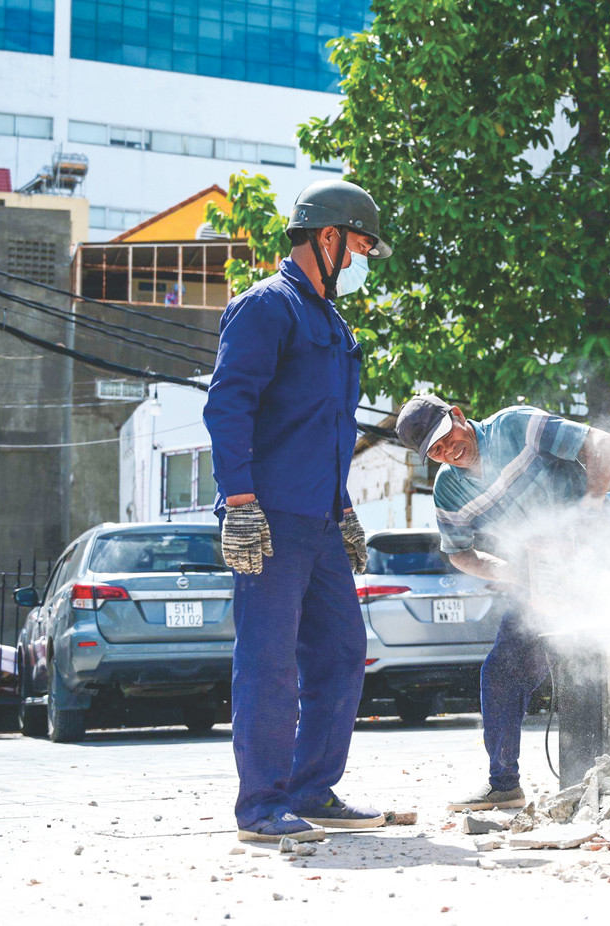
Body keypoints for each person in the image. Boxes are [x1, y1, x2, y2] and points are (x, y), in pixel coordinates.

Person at [204, 179, 392, 844]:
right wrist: (242, 503)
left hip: (317, 519)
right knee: (269, 661)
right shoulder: (266, 308)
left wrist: (343, 510)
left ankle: (313, 788)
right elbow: (228, 406)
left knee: (342, 651)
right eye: (358, 247)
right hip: (272, 518)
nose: (359, 261)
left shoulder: (334, 327)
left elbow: (330, 429)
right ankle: (260, 805)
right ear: (328, 236)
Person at [394, 395, 610, 810]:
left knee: (608, 657)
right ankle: (504, 784)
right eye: (437, 451)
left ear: (458, 416)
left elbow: (601, 442)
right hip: (544, 580)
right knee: (501, 672)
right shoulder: (448, 488)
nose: (449, 452)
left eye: (447, 437)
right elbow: (460, 553)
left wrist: (590, 508)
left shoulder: (516, 425)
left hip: (599, 554)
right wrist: (516, 573)